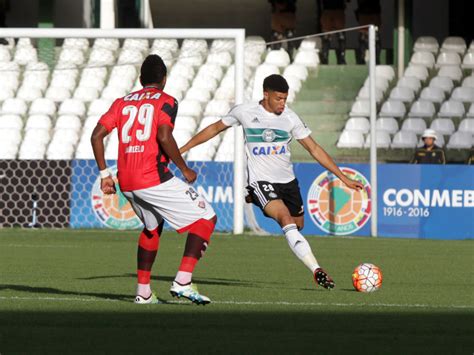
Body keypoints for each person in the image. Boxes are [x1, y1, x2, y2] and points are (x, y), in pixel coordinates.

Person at [180, 74, 364, 290]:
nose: (282, 104)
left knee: (297, 225)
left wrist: (343, 177)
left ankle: (257, 198)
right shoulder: (245, 112)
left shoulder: (290, 118)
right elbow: (214, 128)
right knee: (285, 218)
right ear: (265, 94)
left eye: (285, 99)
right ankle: (317, 270)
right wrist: (182, 149)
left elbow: (314, 148)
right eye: (278, 99)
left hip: (288, 183)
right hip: (262, 180)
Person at [91, 55, 217, 305]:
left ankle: (143, 292)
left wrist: (105, 175)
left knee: (152, 227)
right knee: (206, 217)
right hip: (153, 177)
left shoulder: (121, 102)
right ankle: (183, 280)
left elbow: (96, 136)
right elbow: (163, 134)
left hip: (126, 181)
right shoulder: (167, 100)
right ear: (164, 79)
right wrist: (184, 168)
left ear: (140, 80)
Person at [318, 0, 348, 65]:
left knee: (333, 36)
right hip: (335, 10)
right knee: (339, 36)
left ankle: (326, 58)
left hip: (331, 10)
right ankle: (341, 59)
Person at [354, 0, 381, 64]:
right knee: (363, 37)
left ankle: (376, 59)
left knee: (376, 37)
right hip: (364, 13)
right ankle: (362, 58)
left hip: (374, 12)